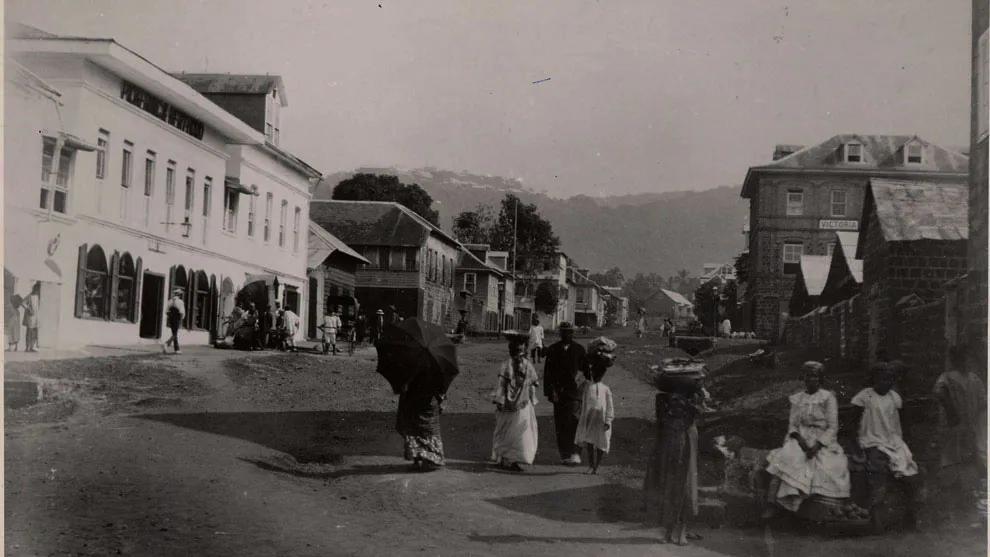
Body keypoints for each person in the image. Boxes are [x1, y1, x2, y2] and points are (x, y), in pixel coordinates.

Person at [764, 361, 849, 515]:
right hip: (800, 437)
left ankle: (811, 508)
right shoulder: (798, 399)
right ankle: (773, 503)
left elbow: (832, 427)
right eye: (808, 376)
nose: (811, 380)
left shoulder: (828, 398)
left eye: (815, 377)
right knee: (787, 456)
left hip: (822, 439)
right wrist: (801, 442)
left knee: (828, 465)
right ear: (803, 378)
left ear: (820, 379)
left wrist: (817, 446)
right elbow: (793, 425)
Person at [850, 362, 920, 528]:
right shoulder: (864, 397)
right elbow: (853, 424)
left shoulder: (894, 398)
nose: (886, 383)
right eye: (882, 379)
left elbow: (902, 423)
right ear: (873, 379)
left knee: (909, 469)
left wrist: (905, 443)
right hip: (872, 440)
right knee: (877, 470)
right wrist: (857, 447)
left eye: (890, 379)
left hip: (893, 441)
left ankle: (909, 514)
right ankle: (876, 515)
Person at [650, 377, 704, 546]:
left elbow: (698, 414)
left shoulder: (693, 397)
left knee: (684, 486)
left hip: (684, 442)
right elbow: (660, 421)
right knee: (672, 485)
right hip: (673, 443)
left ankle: (679, 531)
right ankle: (670, 531)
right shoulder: (664, 399)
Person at [933, 345, 987, 482]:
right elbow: (939, 391)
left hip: (970, 420)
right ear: (955, 361)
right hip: (954, 421)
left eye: (968, 359)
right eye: (962, 359)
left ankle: (968, 473)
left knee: (970, 445)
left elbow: (983, 400)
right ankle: (951, 477)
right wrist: (950, 409)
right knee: (952, 448)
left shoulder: (974, 379)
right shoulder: (947, 377)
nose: (966, 363)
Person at [491, 333, 540, 471]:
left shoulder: (527, 365)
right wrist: (500, 400)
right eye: (516, 351)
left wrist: (532, 394)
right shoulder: (506, 365)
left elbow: (533, 383)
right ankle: (504, 457)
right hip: (507, 404)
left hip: (522, 403)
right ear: (511, 351)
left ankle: (514, 459)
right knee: (505, 431)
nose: (519, 354)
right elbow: (501, 384)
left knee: (521, 432)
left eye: (521, 351)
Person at [543, 322, 588, 465]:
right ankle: (564, 454)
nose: (566, 335)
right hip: (559, 393)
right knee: (561, 424)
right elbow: (548, 373)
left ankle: (575, 453)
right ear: (560, 333)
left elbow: (586, 372)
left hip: (575, 394)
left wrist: (581, 387)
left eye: (569, 332)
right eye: (563, 332)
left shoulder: (579, 350)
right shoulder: (553, 349)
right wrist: (551, 391)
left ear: (573, 333)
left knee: (575, 422)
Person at [396, 355, 447, 471]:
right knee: (426, 430)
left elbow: (404, 384)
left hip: (417, 401)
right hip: (426, 402)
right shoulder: (438, 363)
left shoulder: (411, 361)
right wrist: (442, 400)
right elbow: (442, 387)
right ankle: (427, 459)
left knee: (415, 429)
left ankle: (418, 458)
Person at [575, 337, 616, 474]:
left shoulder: (606, 389)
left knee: (601, 444)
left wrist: (608, 420)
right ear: (592, 374)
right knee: (590, 442)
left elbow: (610, 407)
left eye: (599, 374)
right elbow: (582, 398)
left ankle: (596, 466)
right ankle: (591, 465)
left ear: (602, 375)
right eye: (595, 373)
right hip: (589, 418)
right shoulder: (587, 386)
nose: (597, 376)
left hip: (602, 419)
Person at [162, 289, 186, 354]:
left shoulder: (170, 301)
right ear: (179, 295)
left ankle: (177, 349)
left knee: (174, 333)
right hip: (177, 318)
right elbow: (182, 312)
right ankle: (166, 343)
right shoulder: (180, 302)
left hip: (171, 318)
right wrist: (181, 319)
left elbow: (166, 311)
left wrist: (170, 317)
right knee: (175, 333)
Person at [22, 283, 40, 352]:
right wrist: (29, 309)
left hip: (37, 317)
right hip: (31, 317)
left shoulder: (39, 296)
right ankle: (27, 347)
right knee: (29, 332)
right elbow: (23, 302)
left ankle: (32, 347)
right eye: (36, 289)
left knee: (35, 332)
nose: (37, 291)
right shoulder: (30, 296)